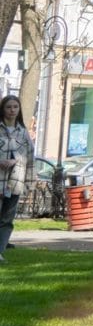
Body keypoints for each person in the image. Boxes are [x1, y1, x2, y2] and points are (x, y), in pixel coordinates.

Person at [1, 94, 32, 261]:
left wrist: (29, 182)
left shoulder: (23, 131)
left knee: (7, 219)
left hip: (15, 182)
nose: (12, 110)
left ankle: (0, 251)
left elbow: (30, 157)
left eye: (15, 107)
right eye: (8, 107)